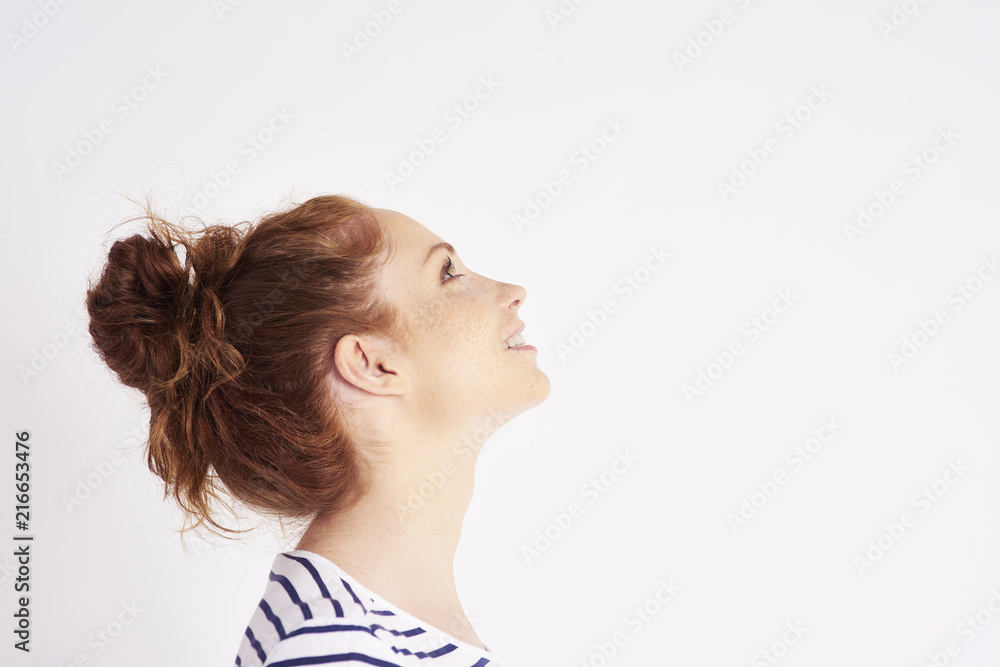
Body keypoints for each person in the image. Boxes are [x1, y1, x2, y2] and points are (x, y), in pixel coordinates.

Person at [84, 194, 551, 666]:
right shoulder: (335, 649)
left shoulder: (358, 635)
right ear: (372, 364)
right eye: (448, 272)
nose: (513, 291)